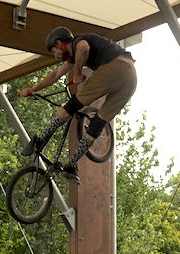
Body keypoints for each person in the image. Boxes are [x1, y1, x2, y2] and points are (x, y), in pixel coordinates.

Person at [18, 27, 138, 176]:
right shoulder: (74, 57)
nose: (55, 56)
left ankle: (41, 139)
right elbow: (55, 75)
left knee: (73, 104)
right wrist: (33, 89)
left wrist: (77, 73)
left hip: (116, 66)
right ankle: (71, 165)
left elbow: (83, 48)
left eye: (54, 51)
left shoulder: (78, 42)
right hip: (130, 79)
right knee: (98, 123)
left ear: (60, 43)